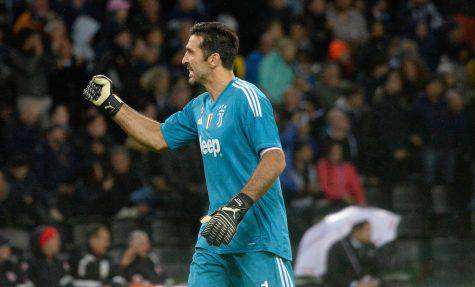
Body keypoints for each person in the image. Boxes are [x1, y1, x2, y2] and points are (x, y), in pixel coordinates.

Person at [83, 22, 293, 286]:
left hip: (258, 238)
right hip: (215, 238)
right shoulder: (199, 107)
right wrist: (111, 103)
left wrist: (236, 207)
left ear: (214, 59)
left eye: (191, 52)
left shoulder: (248, 98)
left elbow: (275, 159)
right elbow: (157, 137)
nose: (184, 59)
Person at [325, 221, 381, 287]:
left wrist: (375, 281)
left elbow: (378, 268)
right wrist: (355, 285)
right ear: (357, 231)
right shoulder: (338, 248)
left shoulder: (370, 246)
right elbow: (333, 273)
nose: (370, 233)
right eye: (367, 230)